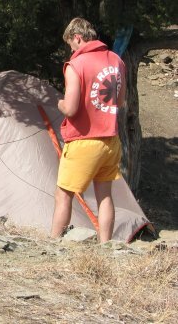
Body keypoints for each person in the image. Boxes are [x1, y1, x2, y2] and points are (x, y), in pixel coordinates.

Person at [51, 17, 126, 243]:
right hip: (111, 141)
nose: (71, 50)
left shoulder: (76, 65)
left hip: (84, 141)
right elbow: (120, 102)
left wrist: (59, 103)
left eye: (71, 45)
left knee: (63, 195)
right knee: (105, 196)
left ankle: (52, 244)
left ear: (77, 38)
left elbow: (71, 109)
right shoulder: (116, 60)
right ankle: (106, 246)